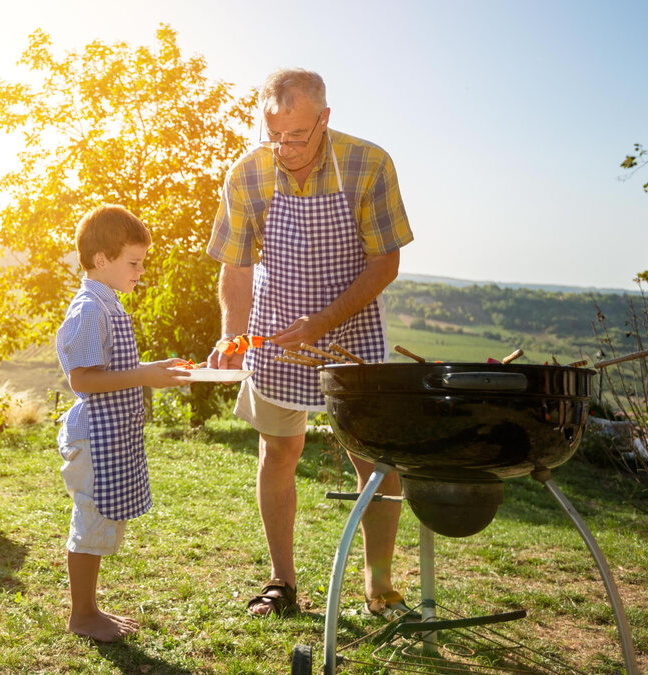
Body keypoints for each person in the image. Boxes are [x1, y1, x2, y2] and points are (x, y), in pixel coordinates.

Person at [206, 68, 414, 619]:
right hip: (276, 331)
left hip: (351, 332)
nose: (285, 148)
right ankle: (282, 583)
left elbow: (385, 261)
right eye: (273, 135)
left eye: (297, 135)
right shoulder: (247, 175)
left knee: (374, 460)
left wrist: (323, 321)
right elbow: (237, 269)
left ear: (325, 119)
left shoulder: (368, 164)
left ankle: (380, 586)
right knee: (279, 451)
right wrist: (232, 332)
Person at [55, 204, 191, 642]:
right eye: (134, 263)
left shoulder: (106, 301)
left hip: (108, 435)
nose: (140, 272)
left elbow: (112, 367)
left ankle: (90, 606)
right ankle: (82, 615)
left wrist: (155, 366)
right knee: (90, 520)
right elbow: (83, 379)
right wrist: (145, 376)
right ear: (102, 260)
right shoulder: (89, 309)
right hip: (93, 434)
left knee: (100, 521)